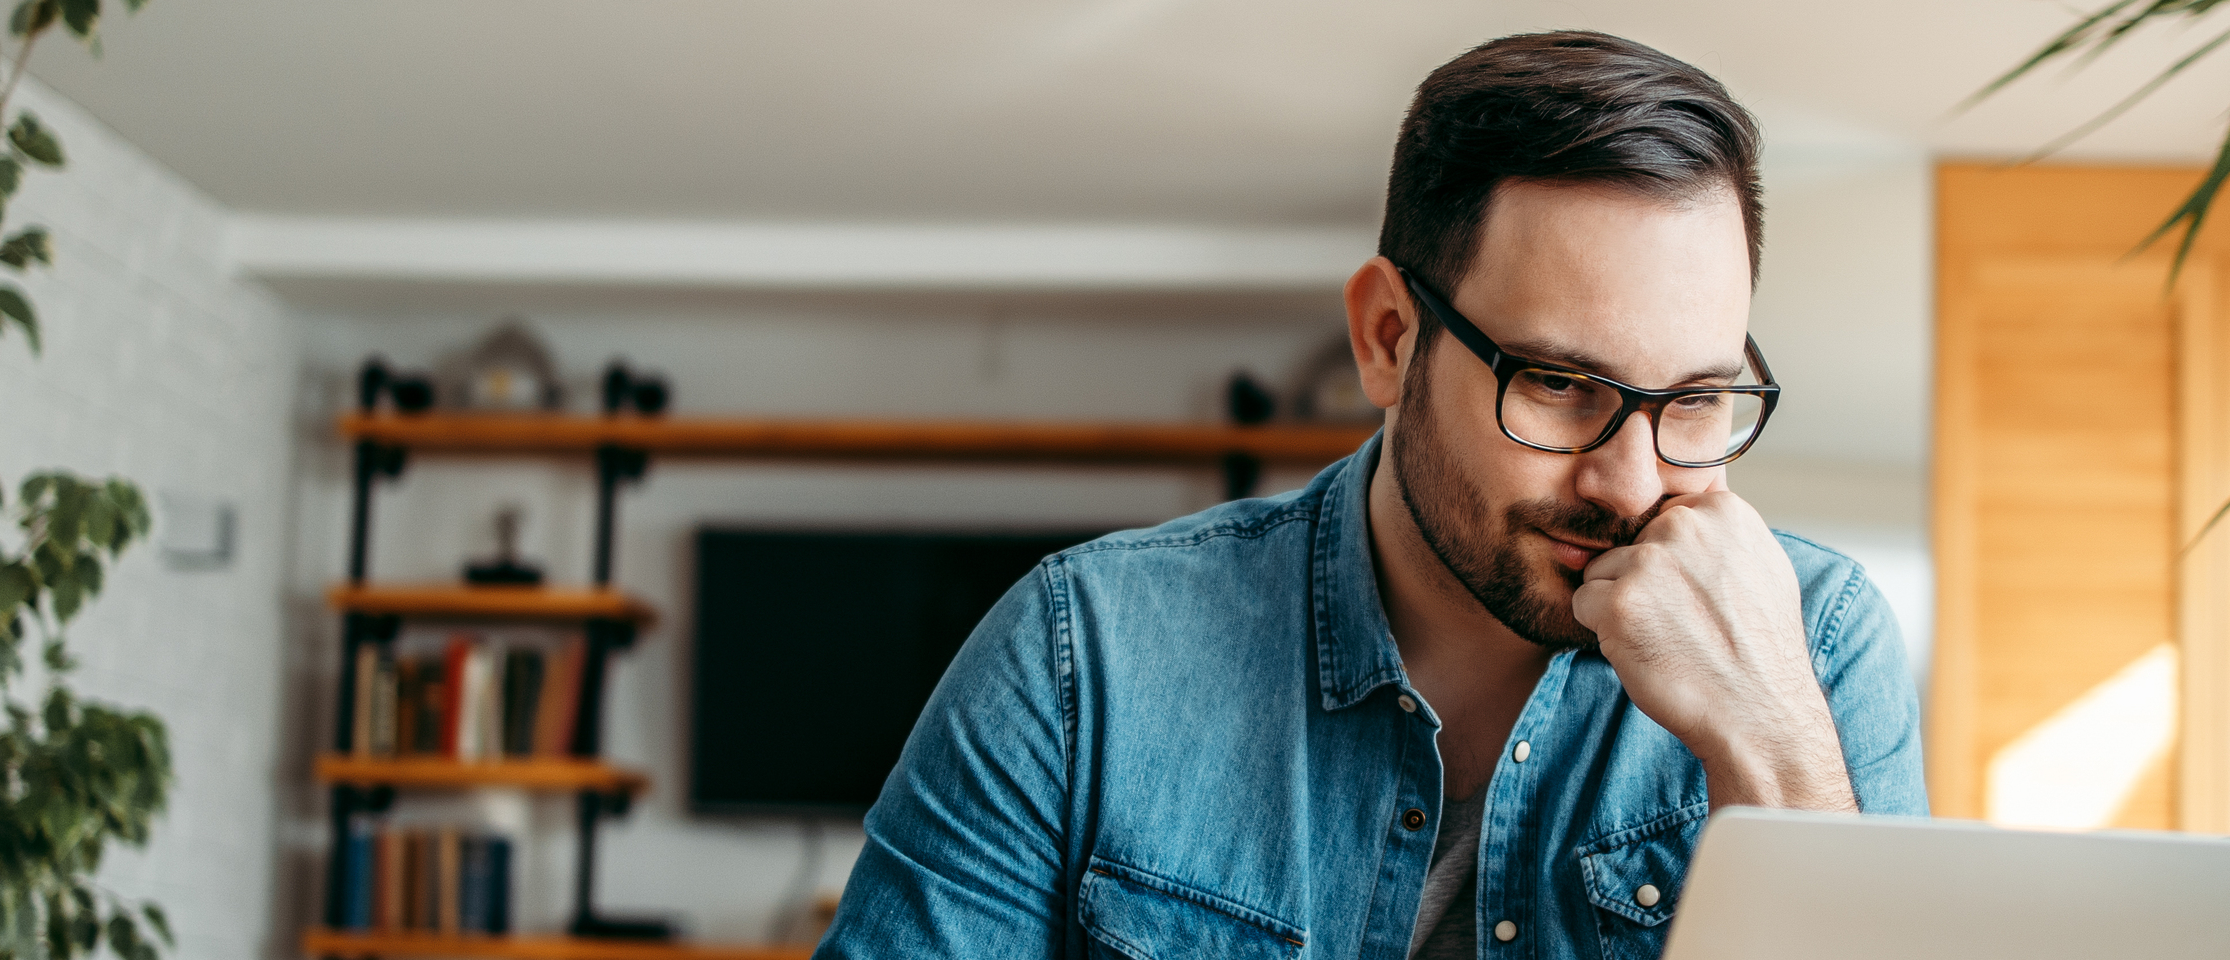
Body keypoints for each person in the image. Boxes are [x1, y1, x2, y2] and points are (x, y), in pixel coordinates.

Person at [818, 31, 1925, 960]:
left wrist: (1770, 747)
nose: (1631, 482)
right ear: (1389, 338)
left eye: (1695, 402)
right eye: (1556, 384)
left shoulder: (1817, 649)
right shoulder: (1081, 659)